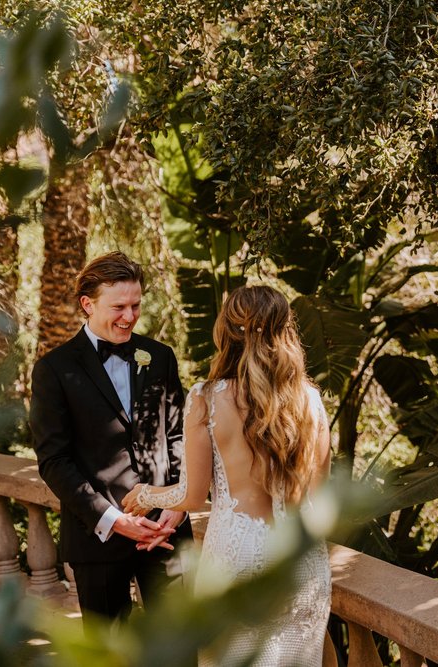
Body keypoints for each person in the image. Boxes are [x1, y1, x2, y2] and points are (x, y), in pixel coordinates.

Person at [122, 285, 332, 666]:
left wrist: (146, 494)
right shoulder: (312, 402)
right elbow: (319, 497)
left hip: (237, 557)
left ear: (228, 331)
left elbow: (191, 495)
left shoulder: (206, 398)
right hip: (300, 560)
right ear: (285, 331)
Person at [29, 251, 190, 624]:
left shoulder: (160, 356)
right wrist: (114, 519)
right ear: (88, 304)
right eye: (119, 306)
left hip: (166, 532)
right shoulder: (53, 370)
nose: (130, 316)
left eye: (136, 305)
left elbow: (178, 434)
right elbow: (54, 460)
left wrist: (177, 504)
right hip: (97, 538)